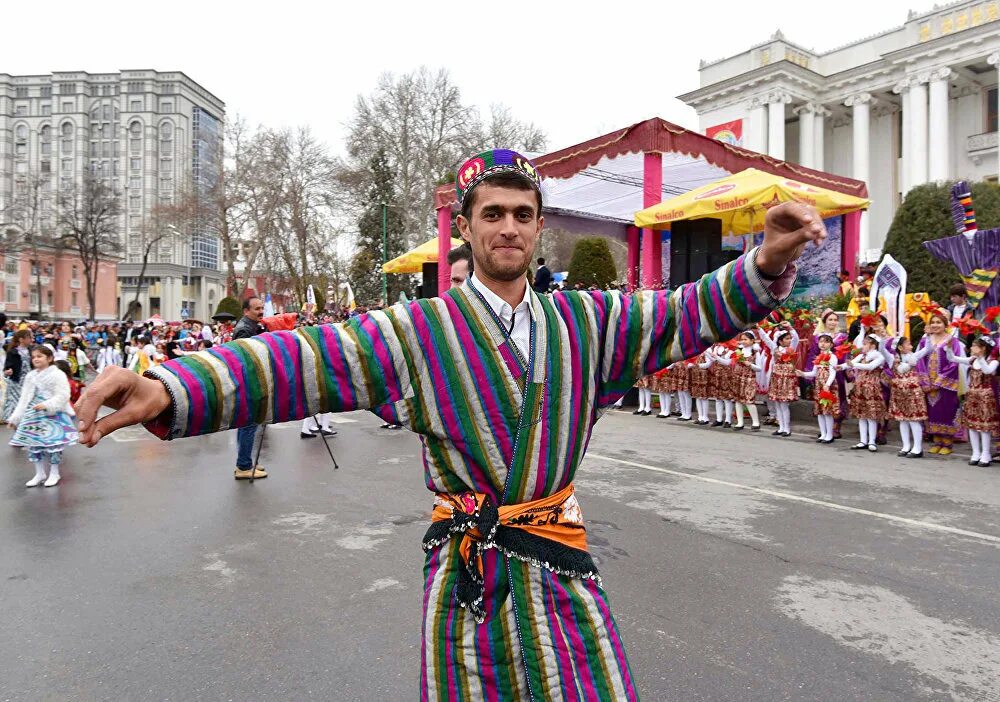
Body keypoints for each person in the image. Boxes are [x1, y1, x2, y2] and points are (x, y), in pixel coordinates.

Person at [75, 147, 822, 700]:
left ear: (539, 230)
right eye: (492, 214)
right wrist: (171, 386)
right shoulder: (413, 331)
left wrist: (765, 261)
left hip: (562, 569)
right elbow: (292, 362)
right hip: (467, 579)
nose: (509, 227)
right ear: (464, 228)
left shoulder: (589, 324)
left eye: (523, 215)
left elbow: (686, 312)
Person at [7, 344, 78, 487]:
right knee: (34, 444)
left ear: (50, 358)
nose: (36, 359)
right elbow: (24, 398)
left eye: (40, 356)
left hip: (52, 414)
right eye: (34, 357)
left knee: (53, 445)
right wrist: (15, 418)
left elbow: (63, 395)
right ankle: (39, 473)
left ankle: (54, 472)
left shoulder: (58, 374)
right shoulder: (31, 376)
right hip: (33, 413)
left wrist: (48, 404)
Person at [915, 311, 964, 455]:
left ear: (945, 325)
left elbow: (954, 363)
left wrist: (938, 382)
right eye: (933, 323)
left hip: (945, 385)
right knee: (932, 412)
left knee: (946, 411)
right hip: (928, 384)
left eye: (938, 322)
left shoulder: (952, 341)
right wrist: (925, 382)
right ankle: (937, 441)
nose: (935, 325)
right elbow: (919, 361)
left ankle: (947, 443)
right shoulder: (925, 341)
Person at [947, 336, 1000, 466]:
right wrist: (949, 348)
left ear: (983, 348)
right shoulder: (972, 360)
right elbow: (953, 358)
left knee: (984, 427)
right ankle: (976, 453)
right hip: (972, 396)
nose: (971, 348)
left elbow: (987, 371)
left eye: (974, 346)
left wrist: (981, 358)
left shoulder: (993, 361)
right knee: (972, 425)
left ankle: (985, 453)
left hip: (986, 398)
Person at [232, 296, 268, 479]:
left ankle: (245, 461)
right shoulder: (244, 330)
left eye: (262, 308)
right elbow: (246, 359)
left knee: (246, 423)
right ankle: (243, 466)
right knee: (250, 423)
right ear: (246, 311)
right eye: (257, 309)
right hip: (248, 382)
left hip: (249, 381)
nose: (261, 311)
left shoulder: (251, 326)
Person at [884, 336, 931, 458]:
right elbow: (882, 349)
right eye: (908, 344)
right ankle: (905, 446)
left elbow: (927, 348)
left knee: (914, 420)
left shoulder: (913, 356)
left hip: (912, 392)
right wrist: (883, 338)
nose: (911, 346)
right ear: (900, 347)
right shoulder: (892, 358)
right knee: (902, 420)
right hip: (899, 392)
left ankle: (917, 448)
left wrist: (928, 336)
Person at [796, 332, 842, 443]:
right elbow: (813, 373)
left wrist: (827, 384)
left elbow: (832, 373)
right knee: (820, 411)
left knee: (827, 411)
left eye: (826, 342)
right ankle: (823, 433)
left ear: (831, 344)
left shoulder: (832, 357)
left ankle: (829, 435)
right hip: (818, 386)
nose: (823, 344)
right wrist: (802, 374)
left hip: (827, 387)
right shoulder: (818, 357)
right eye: (821, 341)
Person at [848, 334, 888, 452]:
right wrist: (839, 366)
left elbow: (870, 367)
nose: (862, 346)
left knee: (871, 415)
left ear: (873, 345)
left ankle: (872, 441)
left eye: (865, 344)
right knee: (861, 415)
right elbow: (850, 363)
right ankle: (863, 440)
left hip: (872, 387)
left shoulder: (879, 356)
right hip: (860, 387)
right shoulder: (861, 356)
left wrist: (853, 364)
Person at [759, 324, 799, 436]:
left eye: (789, 338)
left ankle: (787, 428)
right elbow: (766, 339)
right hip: (777, 378)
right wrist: (759, 329)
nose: (790, 340)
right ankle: (781, 427)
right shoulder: (775, 349)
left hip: (786, 379)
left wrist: (790, 327)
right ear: (780, 341)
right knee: (777, 404)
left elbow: (796, 338)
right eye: (787, 338)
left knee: (784, 404)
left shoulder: (791, 349)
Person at [2, 329, 33, 423]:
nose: (32, 339)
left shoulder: (33, 350)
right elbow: (7, 365)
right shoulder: (13, 352)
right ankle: (17, 422)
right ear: (21, 339)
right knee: (17, 402)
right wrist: (8, 370)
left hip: (30, 380)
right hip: (17, 381)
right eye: (29, 337)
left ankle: (27, 420)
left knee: (29, 400)